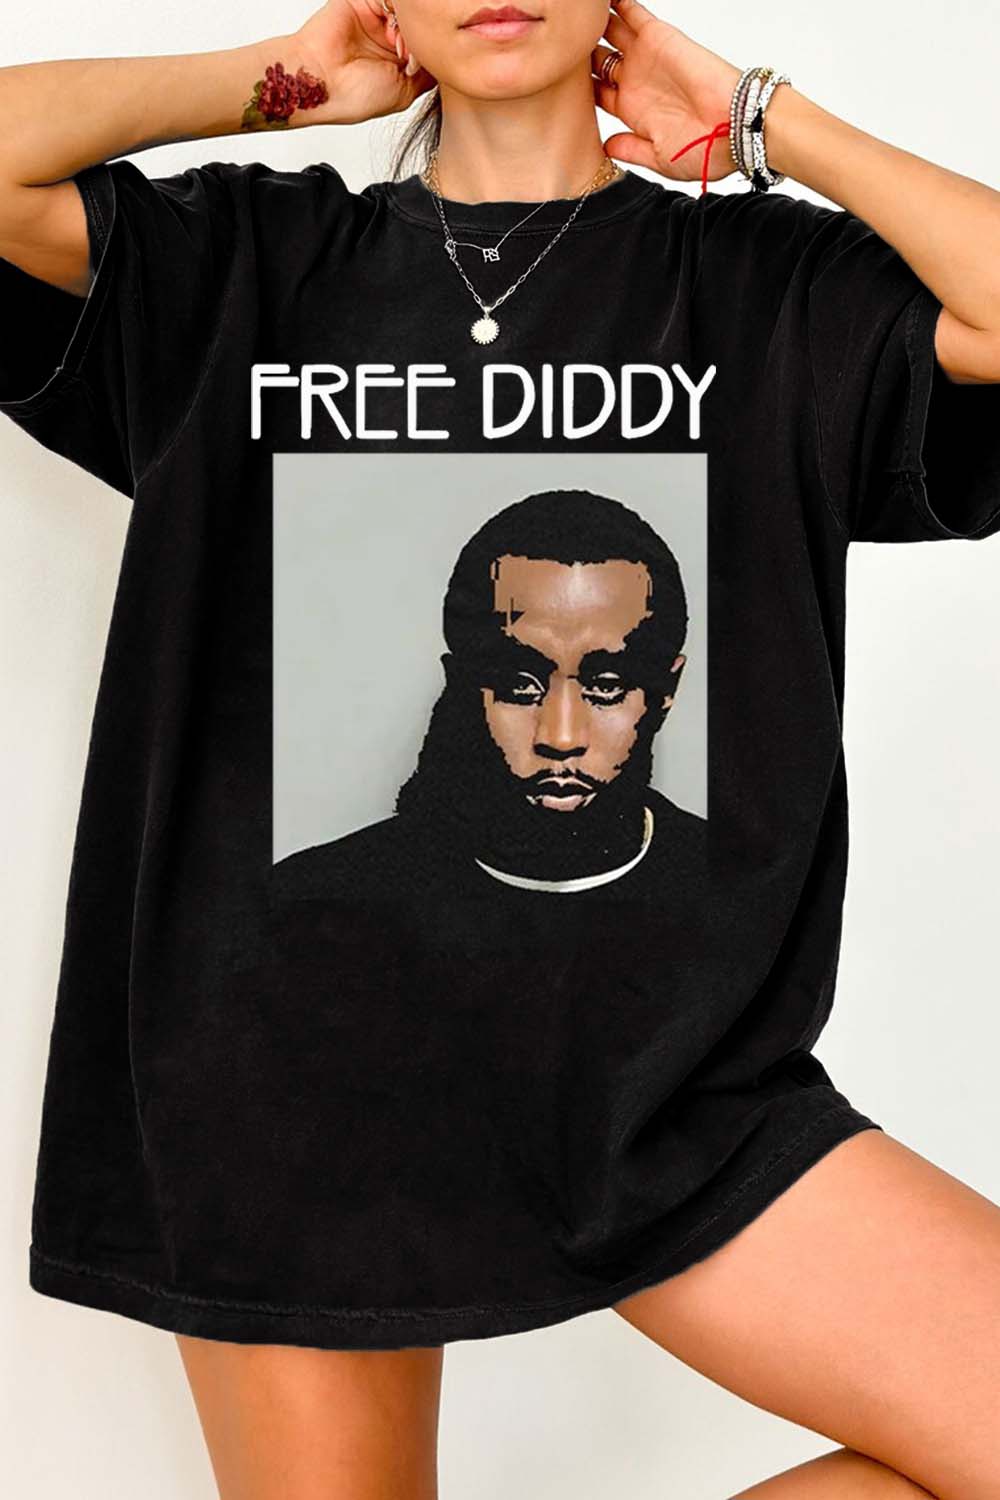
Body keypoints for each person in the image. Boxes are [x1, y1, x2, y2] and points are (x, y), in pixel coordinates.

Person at [2, 1, 1000, 1496]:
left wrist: (762, 120)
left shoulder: (767, 289)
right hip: (289, 1095)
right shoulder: (242, 263)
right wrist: (275, 85)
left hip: (671, 1097)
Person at [272, 486, 705, 903]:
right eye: (520, 685)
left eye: (606, 687)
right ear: (462, 684)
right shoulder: (312, 896)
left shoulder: (735, 889)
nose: (561, 738)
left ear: (666, 691)